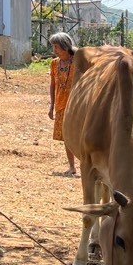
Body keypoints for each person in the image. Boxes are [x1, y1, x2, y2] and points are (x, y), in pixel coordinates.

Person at [47, 31, 78, 175]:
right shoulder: (54, 64)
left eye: (56, 47)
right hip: (61, 104)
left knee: (79, 135)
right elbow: (53, 85)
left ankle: (88, 166)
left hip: (77, 105)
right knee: (67, 137)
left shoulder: (78, 61)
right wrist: (52, 105)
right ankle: (72, 167)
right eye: (53, 47)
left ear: (65, 47)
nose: (54, 51)